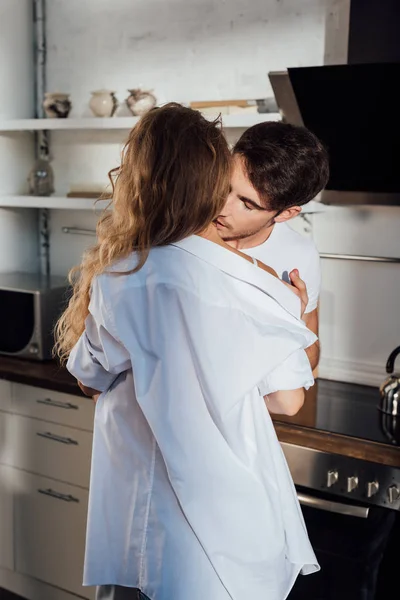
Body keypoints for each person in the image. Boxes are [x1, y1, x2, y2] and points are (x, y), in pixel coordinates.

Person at [55, 103, 319, 600]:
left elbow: (90, 377)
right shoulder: (268, 288)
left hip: (144, 521)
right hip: (230, 529)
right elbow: (287, 401)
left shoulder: (120, 277)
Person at [215, 121, 330, 370]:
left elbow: (310, 359)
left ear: (286, 214)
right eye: (225, 187)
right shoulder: (184, 225)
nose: (222, 208)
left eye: (248, 204)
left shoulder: (299, 255)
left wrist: (291, 320)